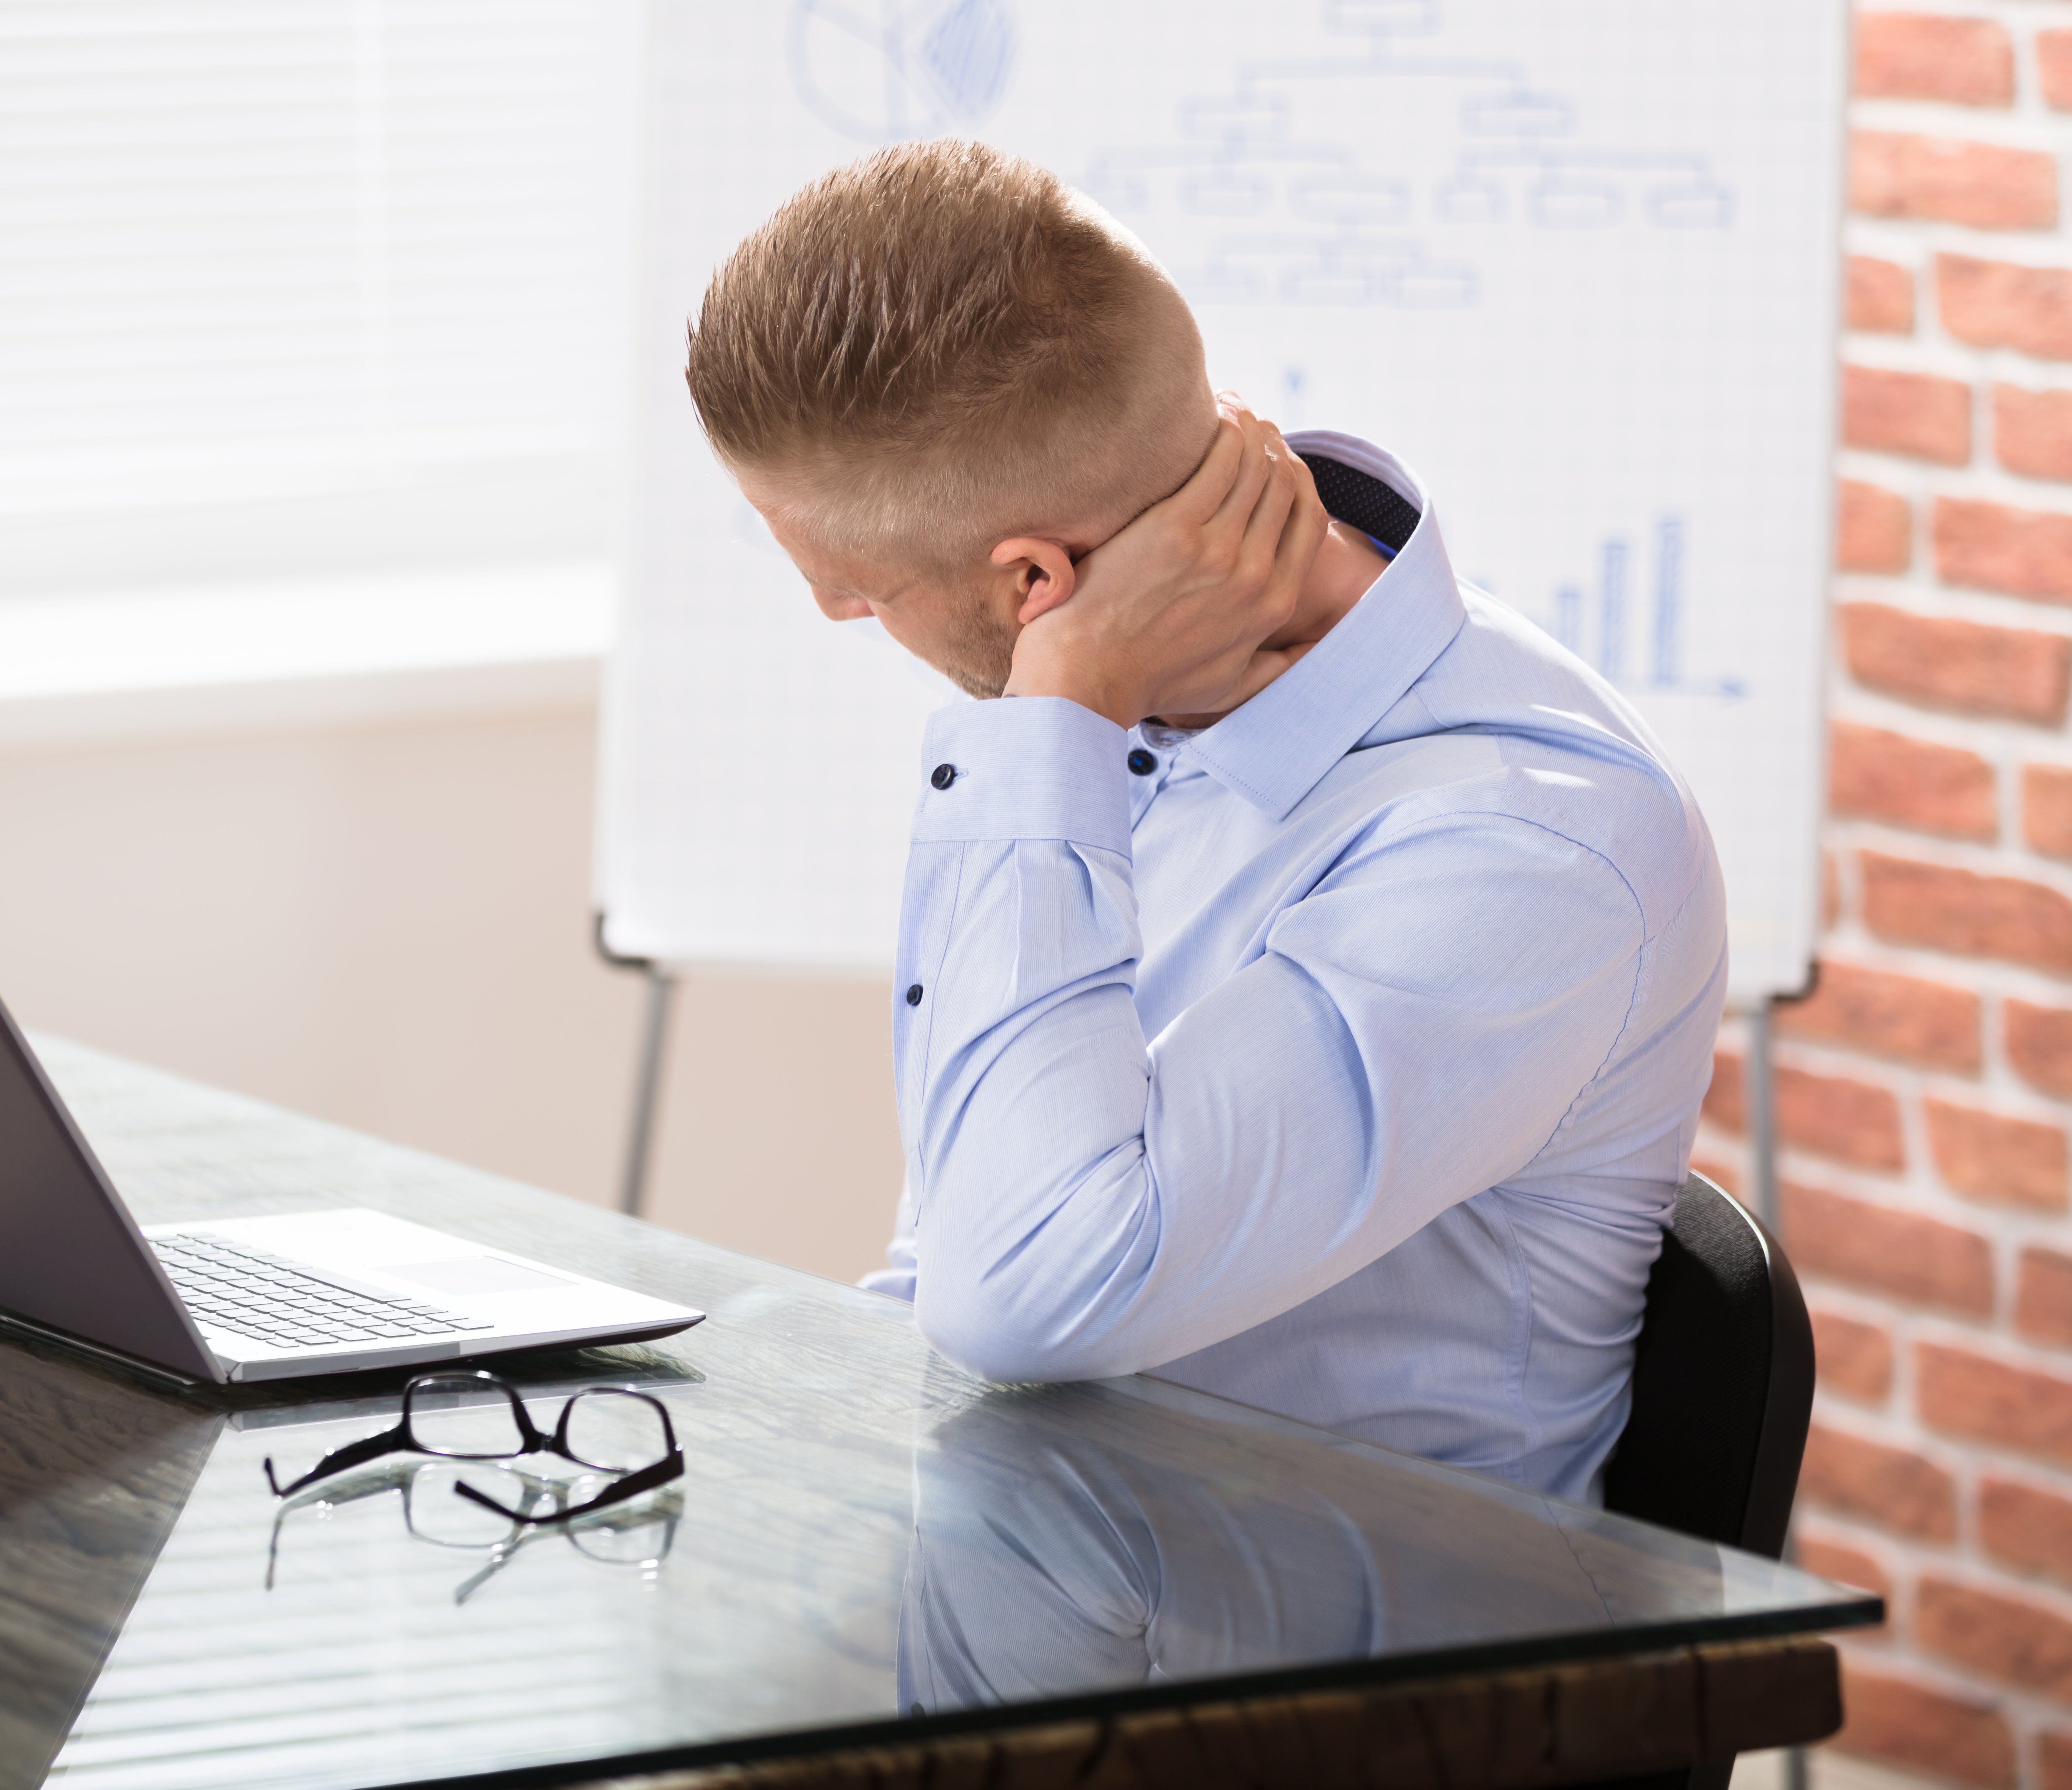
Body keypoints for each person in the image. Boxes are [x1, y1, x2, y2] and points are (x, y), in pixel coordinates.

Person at [682, 139, 1725, 1505]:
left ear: (1036, 582)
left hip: (1342, 1649)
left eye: (859, 588)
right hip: (1034, 1544)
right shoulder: (1130, 720)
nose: (833, 609)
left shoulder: (1528, 846)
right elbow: (948, 1273)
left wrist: (1050, 720)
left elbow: (1028, 1299)